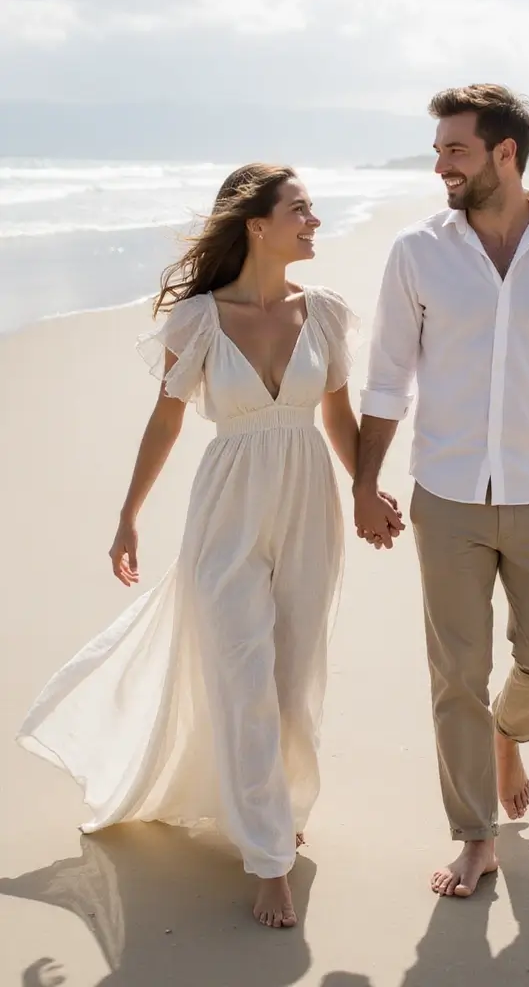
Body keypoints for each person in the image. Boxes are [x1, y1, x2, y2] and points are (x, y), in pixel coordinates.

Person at [17, 163, 397, 929]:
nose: (313, 221)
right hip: (226, 508)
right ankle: (268, 860)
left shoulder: (323, 312)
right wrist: (129, 515)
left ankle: (279, 808)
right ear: (258, 225)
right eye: (301, 210)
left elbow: (337, 417)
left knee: (293, 675)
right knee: (243, 672)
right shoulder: (196, 321)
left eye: (314, 210)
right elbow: (165, 420)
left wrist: (366, 487)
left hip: (308, 503)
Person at [353, 84, 529, 898]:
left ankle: (510, 732)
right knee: (454, 672)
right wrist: (364, 482)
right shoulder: (417, 252)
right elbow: (388, 376)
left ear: (506, 154)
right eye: (438, 151)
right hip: (449, 495)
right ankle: (475, 837)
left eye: (455, 151)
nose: (441, 166)